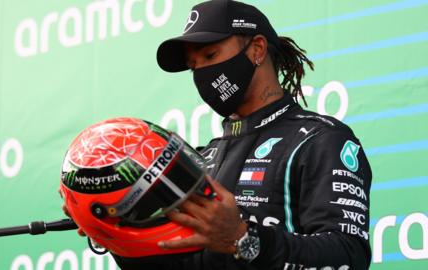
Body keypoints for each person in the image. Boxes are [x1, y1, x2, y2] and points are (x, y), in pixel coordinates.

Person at [67, 1, 372, 269]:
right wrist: (117, 232)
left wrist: (243, 238)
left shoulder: (319, 140)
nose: (201, 73)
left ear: (257, 49)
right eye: (193, 66)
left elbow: (348, 256)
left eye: (210, 55)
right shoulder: (200, 159)